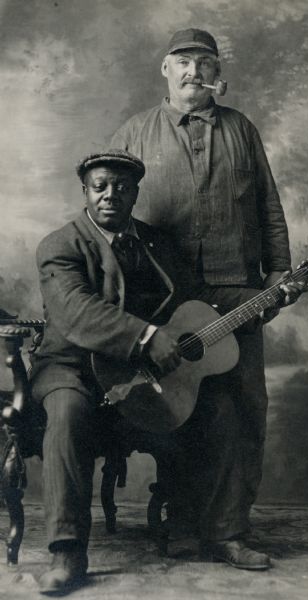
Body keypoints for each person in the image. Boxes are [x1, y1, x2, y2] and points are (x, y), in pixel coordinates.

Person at [110, 28, 296, 569]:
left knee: (243, 410)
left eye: (205, 62)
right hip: (164, 300)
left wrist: (278, 274)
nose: (194, 70)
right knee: (183, 408)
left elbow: (269, 207)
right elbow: (112, 217)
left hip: (238, 289)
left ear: (217, 72)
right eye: (182, 62)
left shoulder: (242, 129)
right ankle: (184, 522)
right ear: (164, 71)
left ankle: (229, 532)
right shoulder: (134, 132)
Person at [30, 149, 195, 595]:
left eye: (122, 188)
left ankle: (200, 530)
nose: (110, 196)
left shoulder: (157, 244)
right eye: (100, 186)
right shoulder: (59, 245)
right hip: (71, 368)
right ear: (85, 191)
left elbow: (188, 302)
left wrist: (250, 309)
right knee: (66, 414)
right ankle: (66, 552)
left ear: (136, 194)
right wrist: (145, 336)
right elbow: (77, 311)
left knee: (207, 402)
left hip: (133, 372)